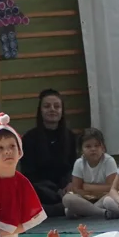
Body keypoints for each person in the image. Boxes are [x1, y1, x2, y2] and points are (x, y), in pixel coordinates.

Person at [0, 113, 45, 237]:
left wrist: (9, 231)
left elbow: (28, 218)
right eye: (0, 148)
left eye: (12, 146)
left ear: (20, 150)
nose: (8, 151)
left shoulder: (21, 182)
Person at [20, 89, 78, 219]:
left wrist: (69, 183)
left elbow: (74, 167)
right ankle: (63, 208)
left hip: (65, 190)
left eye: (57, 106)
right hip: (42, 190)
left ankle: (55, 209)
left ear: (62, 110)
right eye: (47, 106)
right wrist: (54, 190)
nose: (52, 109)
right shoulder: (29, 138)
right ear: (40, 110)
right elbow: (29, 173)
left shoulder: (70, 136)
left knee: (80, 189)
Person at [61, 127, 119, 219]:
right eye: (88, 146)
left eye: (97, 146)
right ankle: (101, 212)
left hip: (105, 197)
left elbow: (113, 187)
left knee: (112, 197)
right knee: (67, 199)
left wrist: (88, 187)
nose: (93, 149)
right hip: (86, 198)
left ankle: (86, 211)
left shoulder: (109, 161)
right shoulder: (79, 163)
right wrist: (89, 194)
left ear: (103, 148)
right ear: (81, 150)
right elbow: (76, 188)